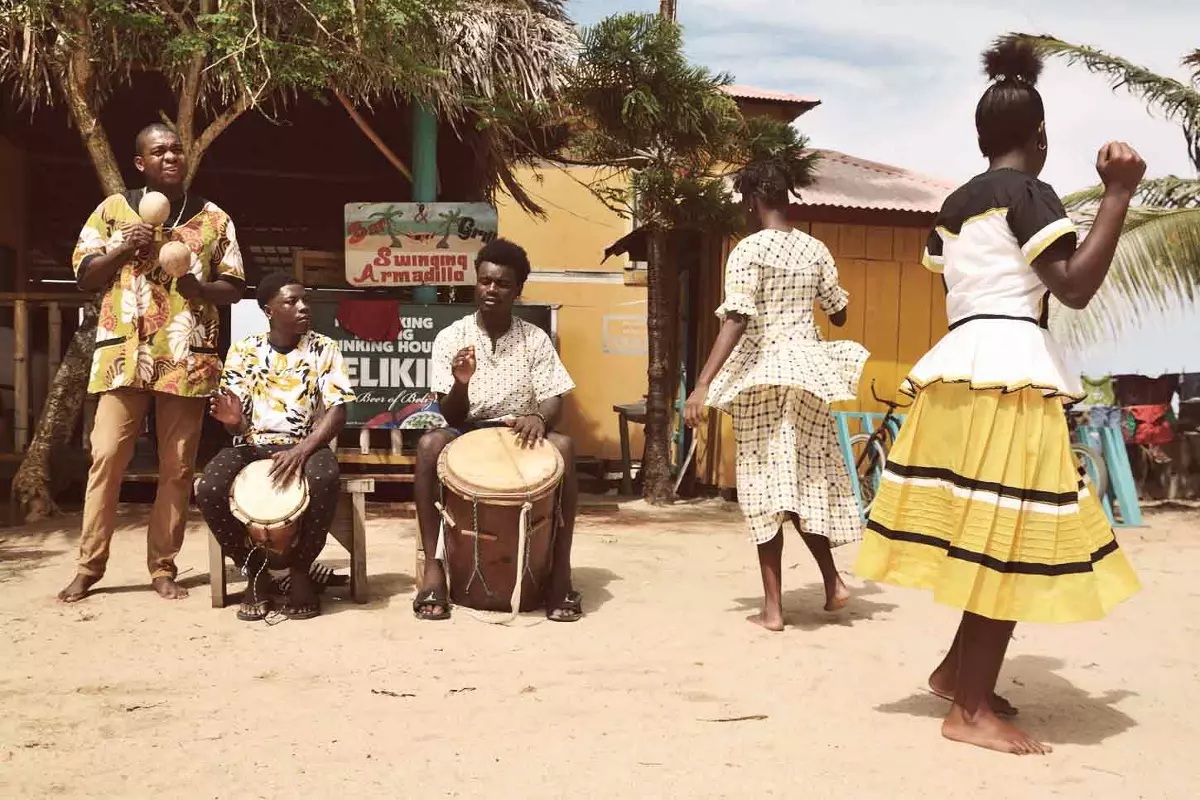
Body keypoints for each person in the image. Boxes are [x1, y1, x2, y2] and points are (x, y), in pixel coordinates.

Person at [853, 40, 1144, 756]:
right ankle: (971, 711)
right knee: (1008, 541)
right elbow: (1072, 285)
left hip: (961, 371)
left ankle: (958, 675)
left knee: (993, 531)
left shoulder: (955, 206)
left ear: (981, 140)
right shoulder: (1030, 194)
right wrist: (1117, 194)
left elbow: (954, 274)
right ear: (1039, 138)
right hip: (1011, 373)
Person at [58, 123, 243, 603]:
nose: (170, 156)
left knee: (177, 466)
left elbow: (236, 285)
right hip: (124, 356)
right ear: (139, 163)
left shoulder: (212, 218)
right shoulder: (113, 211)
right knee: (106, 458)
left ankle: (163, 567)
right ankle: (89, 566)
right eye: (158, 151)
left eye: (176, 149)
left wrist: (202, 289)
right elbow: (83, 276)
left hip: (185, 355)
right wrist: (123, 246)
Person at [684, 161, 869, 632]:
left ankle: (773, 609)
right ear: (786, 197)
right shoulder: (816, 249)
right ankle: (833, 583)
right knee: (802, 481)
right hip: (809, 374)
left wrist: (703, 383)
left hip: (765, 377)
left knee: (765, 487)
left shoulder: (748, 250)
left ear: (750, 201)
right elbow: (840, 313)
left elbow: (738, 318)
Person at [412, 238, 582, 622]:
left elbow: (555, 397)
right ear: (476, 282)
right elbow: (452, 416)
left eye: (502, 284)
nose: (492, 290)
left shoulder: (536, 339)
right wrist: (461, 382)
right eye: (485, 281)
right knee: (428, 445)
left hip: (522, 430)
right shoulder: (452, 338)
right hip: (469, 430)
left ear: (517, 290)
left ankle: (561, 572)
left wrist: (540, 417)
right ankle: (434, 571)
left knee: (567, 447)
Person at [196, 273, 356, 621]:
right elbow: (237, 425)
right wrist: (233, 420)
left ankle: (300, 571)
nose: (303, 307)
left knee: (325, 479)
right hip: (252, 446)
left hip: (307, 445)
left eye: (304, 300)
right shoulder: (244, 350)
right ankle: (256, 572)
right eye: (291, 301)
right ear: (269, 311)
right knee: (208, 488)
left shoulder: (323, 348)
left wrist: (302, 451)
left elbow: (338, 411)